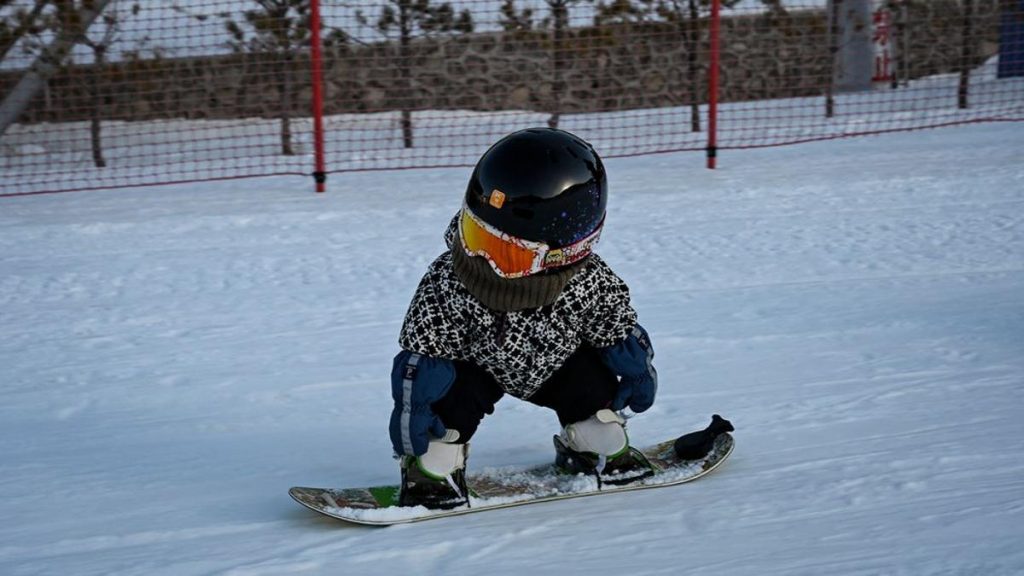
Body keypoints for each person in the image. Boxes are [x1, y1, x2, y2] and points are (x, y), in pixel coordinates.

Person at [389, 127, 658, 509]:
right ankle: (433, 467)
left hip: (558, 367)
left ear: (562, 255)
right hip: (477, 369)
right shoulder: (449, 280)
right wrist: (413, 408)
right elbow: (425, 352)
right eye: (476, 237)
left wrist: (635, 369)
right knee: (448, 404)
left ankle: (588, 442)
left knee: (596, 407)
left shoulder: (589, 284)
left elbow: (615, 329)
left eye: (505, 253)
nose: (481, 261)